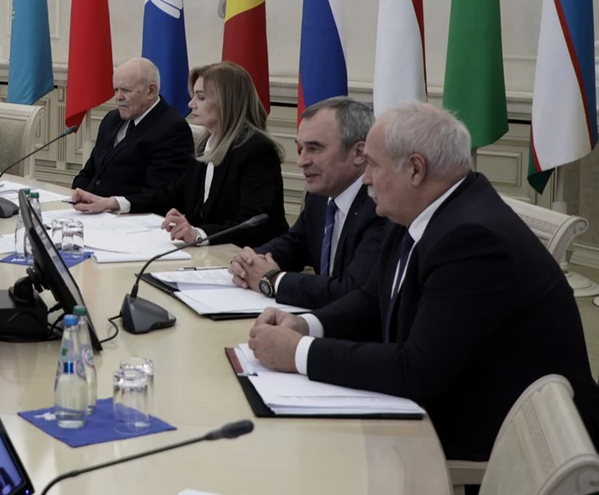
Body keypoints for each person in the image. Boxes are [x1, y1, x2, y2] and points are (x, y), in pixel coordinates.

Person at [247, 103, 599, 462]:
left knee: (307, 455)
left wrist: (298, 353)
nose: (365, 179)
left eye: (373, 165)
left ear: (415, 169)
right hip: (452, 397)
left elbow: (417, 370)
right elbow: (371, 299)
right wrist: (306, 325)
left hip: (511, 438)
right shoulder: (420, 209)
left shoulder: (472, 239)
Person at [72, 61, 287, 248]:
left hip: (248, 257)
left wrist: (198, 234)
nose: (191, 104)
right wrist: (113, 202)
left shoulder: (257, 150)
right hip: (208, 253)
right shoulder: (205, 145)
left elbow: (254, 223)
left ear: (227, 102)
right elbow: (170, 195)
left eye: (200, 97)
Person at [228, 97, 388, 309]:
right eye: (301, 149)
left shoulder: (380, 206)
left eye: (314, 148)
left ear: (359, 153)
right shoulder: (320, 195)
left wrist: (274, 280)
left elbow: (352, 290)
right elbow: (295, 244)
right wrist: (249, 260)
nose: (301, 161)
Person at [70, 58, 194, 198]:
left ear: (151, 91)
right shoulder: (111, 119)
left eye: (126, 90)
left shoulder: (172, 129)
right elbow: (89, 172)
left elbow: (158, 195)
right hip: (89, 208)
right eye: (116, 90)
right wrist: (79, 195)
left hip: (127, 210)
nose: (118, 97)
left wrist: (109, 204)